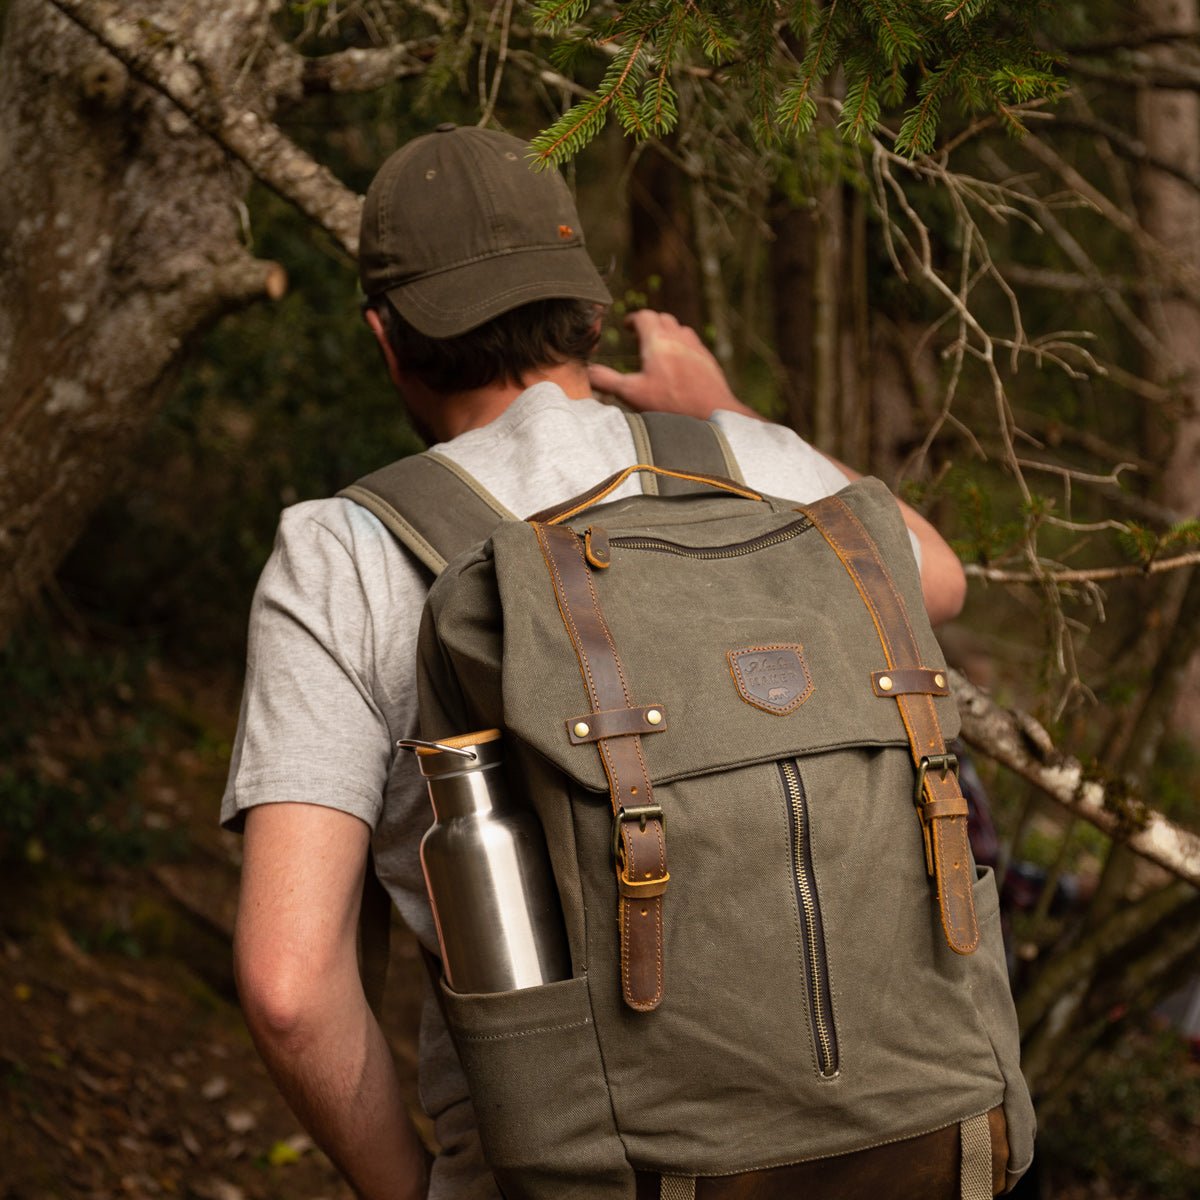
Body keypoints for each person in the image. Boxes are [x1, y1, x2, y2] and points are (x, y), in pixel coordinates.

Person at [222, 123, 967, 1200]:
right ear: (591, 314)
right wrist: (722, 411)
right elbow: (937, 576)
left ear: (388, 339)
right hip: (892, 1145)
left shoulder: (348, 550)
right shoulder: (765, 467)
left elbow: (290, 988)